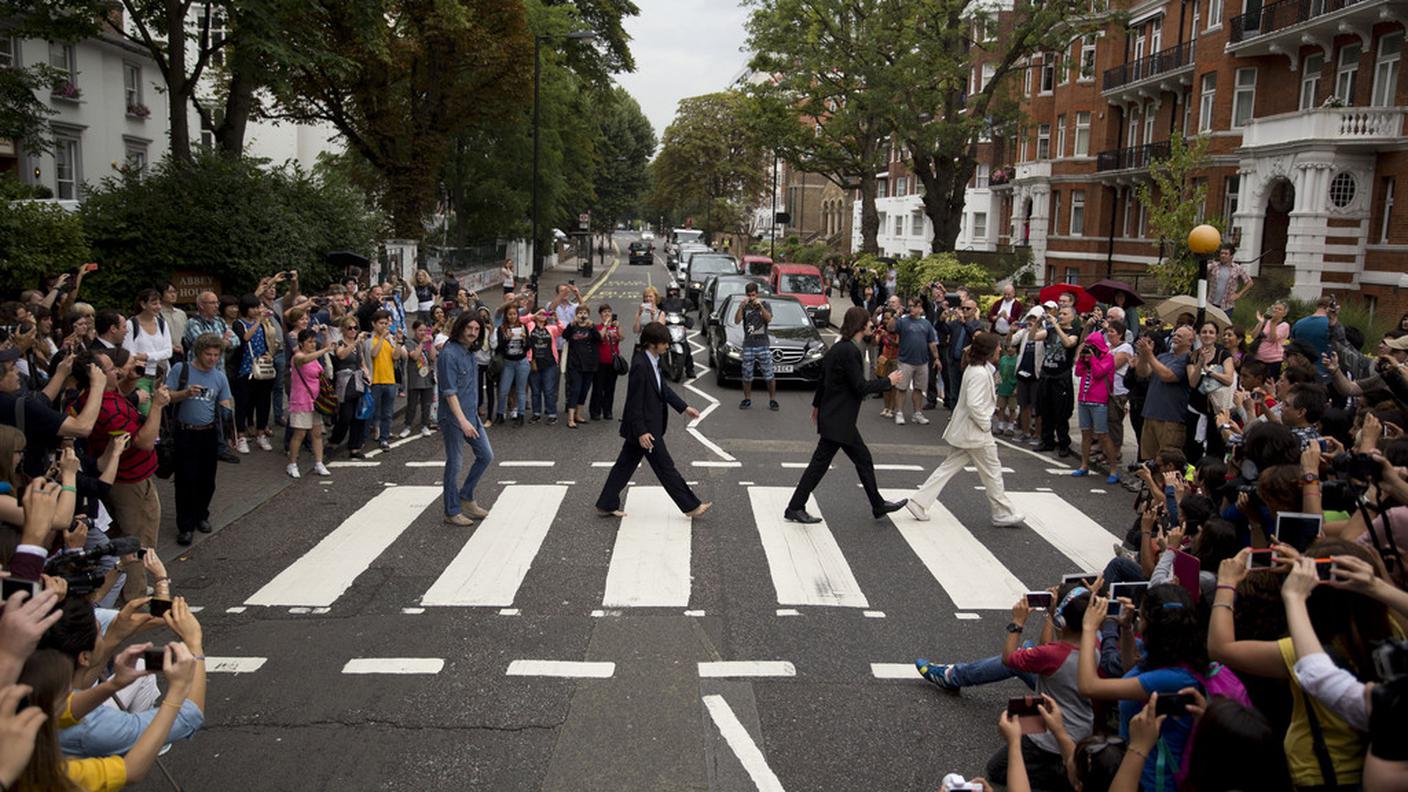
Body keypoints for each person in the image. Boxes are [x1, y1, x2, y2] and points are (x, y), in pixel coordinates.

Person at [784, 307, 906, 524]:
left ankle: (877, 505)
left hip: (836, 416)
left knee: (862, 459)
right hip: (839, 418)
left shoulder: (839, 347)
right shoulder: (849, 351)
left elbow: (824, 380)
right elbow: (860, 387)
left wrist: (817, 405)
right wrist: (889, 381)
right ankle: (794, 507)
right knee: (820, 465)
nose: (872, 324)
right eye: (869, 321)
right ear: (861, 325)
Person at [905, 332, 1025, 526]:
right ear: (989, 350)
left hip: (969, 431)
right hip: (975, 432)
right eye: (997, 346)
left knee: (949, 467)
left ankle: (918, 502)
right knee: (992, 472)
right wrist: (986, 425)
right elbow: (975, 404)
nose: (1000, 349)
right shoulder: (978, 372)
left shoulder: (980, 367)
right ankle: (1002, 513)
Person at [595, 321, 711, 518]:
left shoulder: (653, 360)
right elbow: (634, 402)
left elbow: (662, 389)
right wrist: (641, 431)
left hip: (646, 426)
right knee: (665, 468)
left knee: (624, 466)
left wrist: (684, 407)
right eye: (664, 342)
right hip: (646, 429)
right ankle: (691, 506)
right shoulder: (640, 365)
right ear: (651, 343)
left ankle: (606, 503)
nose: (667, 346)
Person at [165, 333, 234, 544]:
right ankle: (185, 526)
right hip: (185, 431)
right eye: (208, 354)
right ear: (198, 352)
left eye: (216, 355)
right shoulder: (181, 370)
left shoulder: (219, 376)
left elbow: (225, 403)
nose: (212, 359)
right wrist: (184, 394)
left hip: (208, 432)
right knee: (186, 480)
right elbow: (167, 395)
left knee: (207, 480)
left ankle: (201, 515)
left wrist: (230, 431)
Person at [438, 313, 494, 526]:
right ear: (460, 328)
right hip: (454, 418)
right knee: (455, 463)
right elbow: (449, 392)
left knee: (486, 455)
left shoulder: (469, 352)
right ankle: (451, 512)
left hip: (470, 415)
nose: (473, 332)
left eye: (477, 329)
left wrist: (473, 416)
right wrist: (462, 421)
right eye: (469, 328)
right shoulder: (448, 355)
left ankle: (466, 497)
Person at [182, 291, 240, 463]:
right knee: (204, 411)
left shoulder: (220, 322)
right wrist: (223, 341)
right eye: (212, 303)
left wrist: (222, 341)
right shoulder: (193, 323)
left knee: (224, 411)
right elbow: (203, 344)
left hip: (219, 373)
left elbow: (236, 341)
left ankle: (221, 447)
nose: (217, 306)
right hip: (199, 375)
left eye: (217, 302)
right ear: (201, 305)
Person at [1070, 328, 1123, 485]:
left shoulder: (1108, 358)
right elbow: (1079, 372)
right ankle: (1084, 464)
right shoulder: (1086, 358)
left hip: (1099, 401)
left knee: (1102, 435)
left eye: (1092, 345)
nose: (1090, 348)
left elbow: (1099, 373)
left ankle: (1114, 468)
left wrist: (1092, 359)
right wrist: (1082, 358)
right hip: (1084, 399)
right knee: (1086, 434)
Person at [1135, 324, 1194, 460]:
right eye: (1174, 335)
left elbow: (1167, 376)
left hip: (1170, 419)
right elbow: (1143, 373)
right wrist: (1143, 356)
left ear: (1190, 341)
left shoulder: (1188, 359)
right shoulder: (1162, 357)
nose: (1175, 337)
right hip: (1150, 414)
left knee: (1167, 460)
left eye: (1180, 336)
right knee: (1149, 458)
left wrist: (1149, 355)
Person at [232, 294, 278, 453]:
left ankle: (261, 433)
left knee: (264, 401)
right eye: (255, 307)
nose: (258, 310)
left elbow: (270, 341)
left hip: (263, 366)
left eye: (259, 307)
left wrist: (270, 354)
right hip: (245, 368)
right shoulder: (238, 323)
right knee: (243, 403)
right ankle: (241, 436)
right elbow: (244, 338)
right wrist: (258, 320)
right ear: (246, 309)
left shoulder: (264, 323)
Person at [285, 328, 333, 479]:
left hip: (315, 401)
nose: (313, 345)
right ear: (301, 343)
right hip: (301, 400)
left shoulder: (314, 356)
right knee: (300, 433)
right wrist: (325, 349)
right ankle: (292, 463)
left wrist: (325, 337)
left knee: (317, 433)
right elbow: (305, 360)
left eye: (314, 341)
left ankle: (319, 463)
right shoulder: (297, 357)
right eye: (309, 342)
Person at [121, 289, 173, 418]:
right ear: (143, 305)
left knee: (159, 415)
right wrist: (155, 356)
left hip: (160, 377)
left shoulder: (162, 323)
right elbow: (130, 354)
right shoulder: (131, 324)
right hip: (140, 378)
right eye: (154, 303)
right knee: (147, 415)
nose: (158, 307)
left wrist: (147, 356)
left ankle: (158, 438)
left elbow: (168, 351)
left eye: (159, 303)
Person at [1035, 306, 1078, 456]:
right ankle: (1047, 441)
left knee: (1061, 412)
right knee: (1046, 410)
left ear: (1072, 317)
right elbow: (1033, 337)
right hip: (1047, 374)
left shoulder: (1073, 332)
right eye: (1059, 313)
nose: (1061, 316)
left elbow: (1068, 343)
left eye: (1065, 314)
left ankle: (1064, 443)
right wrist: (1037, 323)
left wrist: (1056, 326)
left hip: (1061, 377)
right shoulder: (1050, 330)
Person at [894, 297, 939, 425]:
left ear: (920, 308)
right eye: (909, 306)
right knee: (901, 387)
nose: (911, 309)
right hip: (905, 360)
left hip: (922, 361)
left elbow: (932, 342)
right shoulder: (903, 321)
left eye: (913, 306)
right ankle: (899, 412)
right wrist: (895, 316)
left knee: (919, 388)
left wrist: (936, 358)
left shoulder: (926, 324)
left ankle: (917, 413)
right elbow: (891, 328)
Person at [364, 309, 405, 450]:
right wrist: (381, 337)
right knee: (371, 412)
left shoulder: (390, 341)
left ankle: (384, 438)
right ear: (374, 324)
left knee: (387, 413)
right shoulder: (370, 341)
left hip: (389, 380)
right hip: (375, 381)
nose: (384, 326)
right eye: (381, 323)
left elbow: (395, 357)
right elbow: (374, 354)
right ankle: (364, 438)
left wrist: (398, 342)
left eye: (386, 323)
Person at [735, 283, 778, 411]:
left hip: (763, 344)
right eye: (749, 295)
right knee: (747, 375)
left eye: (753, 295)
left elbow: (768, 319)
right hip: (749, 345)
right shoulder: (745, 306)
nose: (751, 297)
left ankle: (773, 400)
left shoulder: (765, 304)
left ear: (757, 294)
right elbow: (737, 321)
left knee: (769, 374)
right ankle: (747, 399)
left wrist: (760, 307)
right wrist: (740, 307)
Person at [563, 305, 601, 429]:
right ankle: (570, 418)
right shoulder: (573, 326)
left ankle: (578, 415)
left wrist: (593, 327)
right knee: (575, 389)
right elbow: (565, 335)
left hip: (589, 364)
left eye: (585, 313)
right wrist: (571, 324)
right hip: (575, 364)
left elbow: (599, 339)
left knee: (584, 390)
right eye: (580, 313)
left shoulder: (591, 327)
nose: (582, 315)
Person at [942, 299, 983, 410]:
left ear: (974, 310)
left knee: (966, 391)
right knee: (954, 390)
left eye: (968, 308)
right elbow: (942, 330)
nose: (964, 310)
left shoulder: (977, 324)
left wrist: (965, 323)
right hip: (954, 361)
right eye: (962, 308)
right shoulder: (956, 323)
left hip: (967, 363)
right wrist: (941, 319)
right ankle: (953, 414)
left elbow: (977, 336)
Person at [400, 320, 437, 438]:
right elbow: (414, 356)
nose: (423, 333)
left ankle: (425, 425)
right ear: (414, 330)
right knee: (412, 404)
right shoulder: (410, 342)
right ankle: (407, 426)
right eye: (420, 330)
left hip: (427, 377)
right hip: (415, 378)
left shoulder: (428, 343)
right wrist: (421, 343)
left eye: (425, 330)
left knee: (426, 404)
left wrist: (431, 344)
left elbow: (432, 357)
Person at [495, 305, 530, 427]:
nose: (512, 317)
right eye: (510, 314)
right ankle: (500, 414)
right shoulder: (502, 329)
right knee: (503, 390)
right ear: (506, 316)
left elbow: (528, 347)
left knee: (521, 391)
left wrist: (525, 340)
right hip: (508, 363)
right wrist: (507, 339)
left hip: (522, 362)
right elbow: (499, 348)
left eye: (514, 314)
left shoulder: (523, 327)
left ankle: (520, 416)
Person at [527, 309, 561, 424]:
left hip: (549, 363)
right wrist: (533, 315)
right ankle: (536, 413)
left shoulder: (551, 328)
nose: (542, 316)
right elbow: (521, 319)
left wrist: (556, 319)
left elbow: (562, 331)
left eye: (545, 314)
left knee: (549, 390)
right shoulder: (530, 325)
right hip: (534, 362)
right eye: (540, 313)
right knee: (535, 390)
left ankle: (552, 414)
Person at [591, 304, 622, 421]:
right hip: (600, 362)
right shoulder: (597, 327)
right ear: (600, 315)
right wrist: (605, 325)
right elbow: (599, 337)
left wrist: (617, 328)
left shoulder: (614, 327)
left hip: (612, 362)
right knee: (598, 388)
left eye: (609, 312)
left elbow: (622, 337)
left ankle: (607, 411)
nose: (607, 314)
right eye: (604, 312)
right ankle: (595, 411)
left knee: (610, 388)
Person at [1208, 242, 1253, 311]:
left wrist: (1238, 295)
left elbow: (1250, 283)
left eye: (1226, 254)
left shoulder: (1237, 268)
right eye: (1221, 253)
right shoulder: (1215, 265)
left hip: (1227, 307)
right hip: (1211, 304)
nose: (1223, 255)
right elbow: (1204, 269)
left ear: (1231, 256)